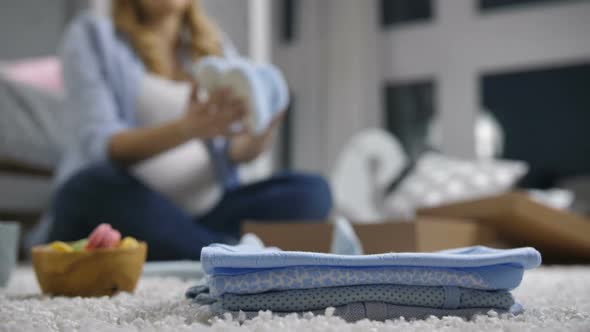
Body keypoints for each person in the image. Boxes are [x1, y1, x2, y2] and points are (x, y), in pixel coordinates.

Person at [47, 0, 332, 260]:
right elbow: (102, 145)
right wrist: (187, 129)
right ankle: (228, 253)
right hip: (126, 204)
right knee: (88, 187)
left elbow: (234, 152)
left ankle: (207, 247)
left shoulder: (215, 45)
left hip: (206, 211)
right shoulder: (94, 37)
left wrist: (261, 131)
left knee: (312, 191)